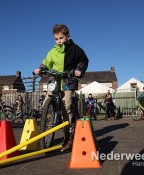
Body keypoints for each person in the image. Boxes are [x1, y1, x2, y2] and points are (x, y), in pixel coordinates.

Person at [33, 24, 89, 152]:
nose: (59, 41)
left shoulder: (75, 49)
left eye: (61, 38)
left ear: (68, 37)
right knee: (46, 100)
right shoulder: (52, 51)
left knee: (66, 105)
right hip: (55, 80)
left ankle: (68, 136)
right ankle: (48, 119)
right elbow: (46, 62)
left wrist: (79, 69)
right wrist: (41, 69)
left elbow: (84, 60)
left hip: (68, 79)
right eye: (56, 39)